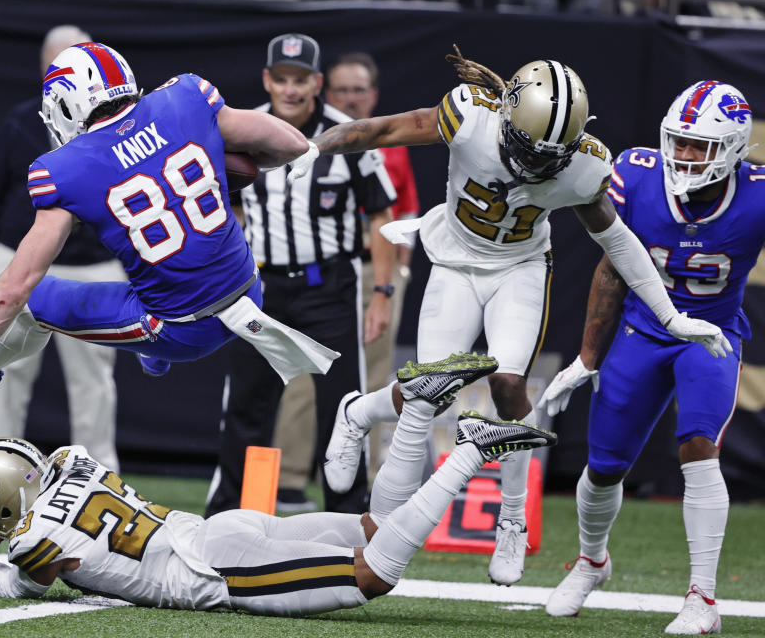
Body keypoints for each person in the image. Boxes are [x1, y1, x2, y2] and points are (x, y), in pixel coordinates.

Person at [286, 47, 733, 586]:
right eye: (530, 149)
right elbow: (383, 129)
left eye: (553, 155)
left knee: (508, 383)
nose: (539, 165)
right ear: (505, 117)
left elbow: (618, 241)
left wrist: (671, 316)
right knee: (428, 395)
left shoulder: (586, 162)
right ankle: (364, 439)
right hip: (453, 259)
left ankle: (512, 516)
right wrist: (315, 145)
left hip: (519, 266)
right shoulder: (470, 116)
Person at [0, 354, 558, 616]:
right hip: (220, 527)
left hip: (212, 570)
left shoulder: (31, 539)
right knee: (374, 529)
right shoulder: (74, 463)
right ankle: (416, 406)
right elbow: (16, 482)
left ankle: (468, 452)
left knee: (375, 573)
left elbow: (17, 582)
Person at [0, 42, 340, 401]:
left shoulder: (63, 168)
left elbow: (15, 287)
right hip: (250, 289)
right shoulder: (185, 96)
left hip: (184, 327)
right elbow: (292, 144)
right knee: (156, 270)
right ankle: (153, 354)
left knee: (37, 299)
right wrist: (218, 172)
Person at [537, 80, 762, 634]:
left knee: (699, 444)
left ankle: (702, 597)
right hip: (642, 330)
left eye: (697, 146)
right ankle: (592, 562)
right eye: (677, 142)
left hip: (710, 333)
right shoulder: (637, 175)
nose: (683, 156)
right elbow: (612, 268)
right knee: (605, 466)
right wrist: (589, 359)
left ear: (734, 147)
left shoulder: (757, 192)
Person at [205, 34, 397, 518]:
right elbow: (222, 203)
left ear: (317, 82)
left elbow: (381, 216)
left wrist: (383, 293)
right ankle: (228, 514)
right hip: (261, 289)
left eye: (301, 80)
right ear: (268, 79)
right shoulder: (240, 126)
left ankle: (348, 516)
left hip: (327, 288)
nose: (290, 90)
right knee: (246, 405)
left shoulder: (348, 133)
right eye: (282, 79)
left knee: (343, 409)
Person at [0, 25, 126, 471]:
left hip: (92, 268)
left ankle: (98, 476)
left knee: (93, 381)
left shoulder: (118, 129)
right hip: (23, 265)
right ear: (44, 71)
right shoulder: (22, 120)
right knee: (1, 371)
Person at [271, 52, 423, 512]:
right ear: (325, 91)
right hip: (316, 269)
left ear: (373, 95)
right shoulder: (299, 139)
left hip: (369, 268)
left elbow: (405, 210)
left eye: (360, 90)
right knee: (299, 379)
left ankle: (365, 481)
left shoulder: (388, 140)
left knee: (369, 381)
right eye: (343, 90)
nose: (351, 98)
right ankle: (291, 479)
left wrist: (396, 272)